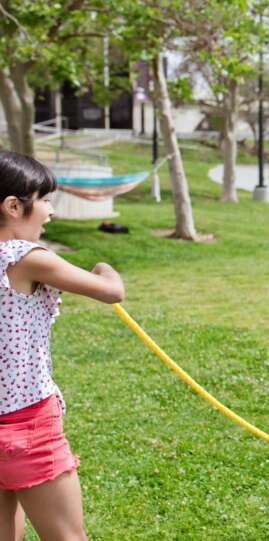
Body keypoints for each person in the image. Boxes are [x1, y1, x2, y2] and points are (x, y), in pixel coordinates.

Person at [0, 150, 125, 541]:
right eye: (46, 199)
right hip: (27, 426)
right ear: (13, 206)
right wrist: (103, 266)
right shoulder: (25, 257)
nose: (51, 211)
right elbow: (111, 291)